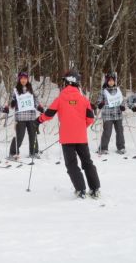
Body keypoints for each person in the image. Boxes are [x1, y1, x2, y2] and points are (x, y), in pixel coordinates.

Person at [36, 70, 101, 199]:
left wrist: (38, 120)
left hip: (67, 139)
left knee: (72, 164)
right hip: (81, 137)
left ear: (68, 82)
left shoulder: (60, 98)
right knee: (87, 162)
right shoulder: (83, 99)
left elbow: (49, 114)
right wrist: (81, 127)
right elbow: (91, 119)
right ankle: (95, 188)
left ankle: (81, 190)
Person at [9, 71, 45, 160]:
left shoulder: (31, 90)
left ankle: (34, 152)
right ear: (19, 79)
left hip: (31, 116)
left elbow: (35, 101)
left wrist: (39, 107)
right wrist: (13, 103)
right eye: (22, 78)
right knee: (19, 136)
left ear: (27, 79)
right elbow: (12, 102)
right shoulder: (16, 90)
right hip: (20, 117)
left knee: (33, 135)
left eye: (25, 78)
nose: (23, 80)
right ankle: (13, 152)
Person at [95, 72, 126, 155]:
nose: (111, 82)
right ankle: (103, 148)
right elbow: (98, 101)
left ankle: (121, 147)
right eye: (109, 81)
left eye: (112, 81)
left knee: (120, 131)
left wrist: (122, 106)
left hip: (118, 114)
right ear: (106, 81)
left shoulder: (118, 90)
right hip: (107, 115)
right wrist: (100, 104)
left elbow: (122, 100)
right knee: (107, 132)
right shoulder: (103, 91)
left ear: (115, 81)